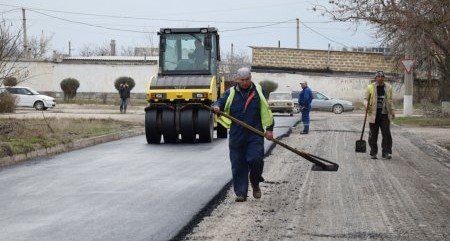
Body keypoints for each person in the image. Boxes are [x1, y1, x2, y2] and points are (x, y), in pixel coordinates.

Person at [212, 67, 275, 202]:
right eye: (242, 80)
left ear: (250, 78)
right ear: (237, 80)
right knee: (238, 164)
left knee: (256, 160)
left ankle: (255, 182)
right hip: (237, 134)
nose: (245, 83)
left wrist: (269, 129)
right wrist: (216, 107)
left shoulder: (259, 92)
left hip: (255, 133)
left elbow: (267, 111)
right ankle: (241, 193)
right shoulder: (230, 92)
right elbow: (220, 102)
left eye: (247, 80)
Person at [365, 71, 395, 159]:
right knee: (373, 135)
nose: (380, 78)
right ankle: (373, 152)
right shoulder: (370, 87)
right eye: (378, 77)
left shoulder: (388, 87)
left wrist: (392, 111)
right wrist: (366, 105)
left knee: (386, 134)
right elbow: (365, 99)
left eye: (382, 77)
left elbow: (390, 100)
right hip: (373, 114)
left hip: (384, 114)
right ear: (376, 78)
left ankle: (386, 152)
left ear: (384, 78)